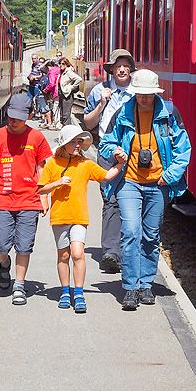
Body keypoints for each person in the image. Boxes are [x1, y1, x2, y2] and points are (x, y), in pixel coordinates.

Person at [99, 69, 191, 311]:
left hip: (157, 183)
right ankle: (130, 287)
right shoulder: (123, 112)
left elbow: (184, 149)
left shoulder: (169, 113)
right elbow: (106, 143)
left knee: (151, 236)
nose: (144, 99)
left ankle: (146, 284)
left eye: (148, 95)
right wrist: (115, 152)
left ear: (156, 93)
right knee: (130, 231)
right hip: (129, 180)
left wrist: (169, 176)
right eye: (140, 94)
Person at [37, 125, 122, 313]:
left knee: (77, 253)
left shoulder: (85, 165)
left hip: (79, 216)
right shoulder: (52, 163)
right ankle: (65, 291)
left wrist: (120, 164)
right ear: (64, 144)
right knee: (64, 255)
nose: (77, 145)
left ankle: (79, 292)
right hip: (59, 217)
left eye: (79, 142)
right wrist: (57, 183)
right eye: (73, 142)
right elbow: (41, 188)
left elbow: (106, 176)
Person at [0, 92, 53, 305]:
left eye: (18, 118)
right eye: (10, 117)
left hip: (29, 199)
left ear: (30, 115)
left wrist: (44, 196)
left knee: (24, 245)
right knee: (0, 243)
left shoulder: (37, 137)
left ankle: (19, 285)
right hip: (3, 197)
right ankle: (4, 264)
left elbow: (41, 169)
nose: (12, 122)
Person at [80, 48, 136, 273]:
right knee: (110, 198)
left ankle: (129, 249)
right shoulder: (99, 91)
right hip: (107, 151)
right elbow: (88, 124)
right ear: (111, 69)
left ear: (130, 69)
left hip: (133, 152)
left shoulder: (138, 91)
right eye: (117, 65)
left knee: (132, 198)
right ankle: (111, 251)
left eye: (126, 65)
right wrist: (102, 105)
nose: (122, 69)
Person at [56, 57, 83, 127]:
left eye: (63, 64)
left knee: (66, 114)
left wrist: (71, 87)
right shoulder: (61, 72)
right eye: (60, 63)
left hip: (67, 95)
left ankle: (67, 130)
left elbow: (79, 79)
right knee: (62, 114)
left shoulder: (68, 72)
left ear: (66, 64)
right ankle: (64, 130)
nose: (61, 65)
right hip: (62, 94)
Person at [42, 58, 61, 129]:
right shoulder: (59, 69)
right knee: (58, 108)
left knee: (55, 108)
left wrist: (46, 90)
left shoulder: (52, 71)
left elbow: (52, 83)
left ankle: (57, 125)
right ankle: (57, 123)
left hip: (55, 91)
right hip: (61, 91)